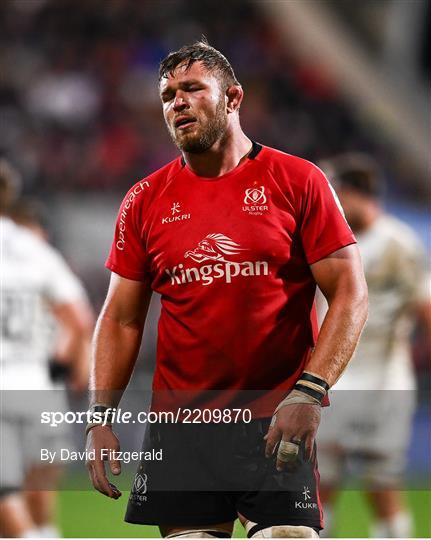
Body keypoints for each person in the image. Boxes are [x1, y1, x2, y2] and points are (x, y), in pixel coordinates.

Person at [85, 40, 368, 539]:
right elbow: (121, 318)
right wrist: (100, 417)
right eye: (168, 94)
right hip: (181, 431)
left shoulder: (298, 181)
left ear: (233, 98)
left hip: (273, 421)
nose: (178, 102)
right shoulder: (144, 200)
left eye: (192, 88)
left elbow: (350, 292)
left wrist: (310, 390)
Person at [316, 153, 431, 538]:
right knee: (319, 483)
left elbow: (426, 309)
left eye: (336, 191)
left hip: (384, 381)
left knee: (382, 484)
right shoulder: (323, 240)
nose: (330, 200)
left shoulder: (399, 243)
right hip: (331, 379)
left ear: (354, 193)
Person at [0, 161, 93, 538]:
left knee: (5, 492)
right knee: (39, 494)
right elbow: (80, 318)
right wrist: (69, 364)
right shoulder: (33, 248)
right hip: (38, 387)